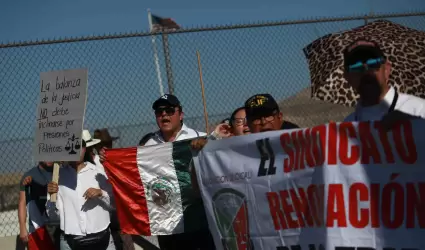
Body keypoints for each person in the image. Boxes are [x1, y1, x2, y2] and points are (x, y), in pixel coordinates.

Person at [46, 139, 115, 250]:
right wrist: (52, 198)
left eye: (79, 146)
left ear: (85, 148)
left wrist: (100, 193)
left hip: (103, 241)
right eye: (71, 146)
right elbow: (53, 217)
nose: (76, 150)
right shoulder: (57, 177)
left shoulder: (98, 172)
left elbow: (114, 205)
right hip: (71, 243)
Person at [343, 39, 425, 124]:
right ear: (347, 77)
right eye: (356, 66)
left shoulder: (419, 110)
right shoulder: (347, 125)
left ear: (386, 69)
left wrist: (415, 126)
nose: (366, 71)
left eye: (373, 63)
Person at [18, 161, 60, 249]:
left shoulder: (62, 172)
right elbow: (22, 201)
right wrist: (22, 227)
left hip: (60, 226)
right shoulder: (29, 176)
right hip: (37, 227)